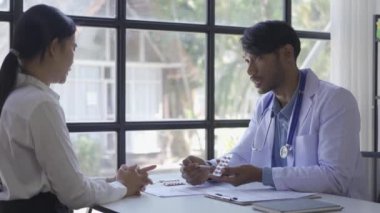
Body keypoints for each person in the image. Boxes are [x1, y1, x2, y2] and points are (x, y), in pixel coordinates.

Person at [181, 20, 368, 199]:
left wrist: (263, 175)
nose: (250, 71)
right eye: (247, 61)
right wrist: (207, 167)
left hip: (334, 207)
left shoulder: (335, 100)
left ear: (287, 53)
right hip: (278, 204)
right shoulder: (265, 104)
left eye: (259, 59)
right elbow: (242, 155)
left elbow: (334, 178)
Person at [0, 4, 156, 213]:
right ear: (54, 47)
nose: (74, 57)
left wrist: (115, 181)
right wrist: (123, 187)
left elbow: (58, 182)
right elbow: (75, 194)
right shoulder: (40, 104)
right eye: (73, 47)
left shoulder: (14, 97)